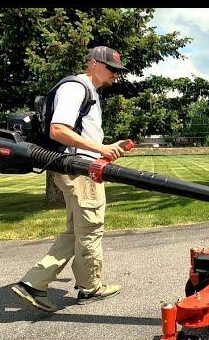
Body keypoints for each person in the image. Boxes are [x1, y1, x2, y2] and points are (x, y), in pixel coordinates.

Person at [12, 46, 130, 312]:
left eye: (118, 72)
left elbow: (79, 135)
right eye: (111, 69)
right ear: (93, 64)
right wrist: (100, 150)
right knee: (90, 228)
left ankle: (87, 286)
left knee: (77, 230)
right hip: (78, 171)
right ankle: (36, 283)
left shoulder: (88, 92)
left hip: (80, 167)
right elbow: (58, 130)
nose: (115, 75)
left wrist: (105, 147)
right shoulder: (77, 88)